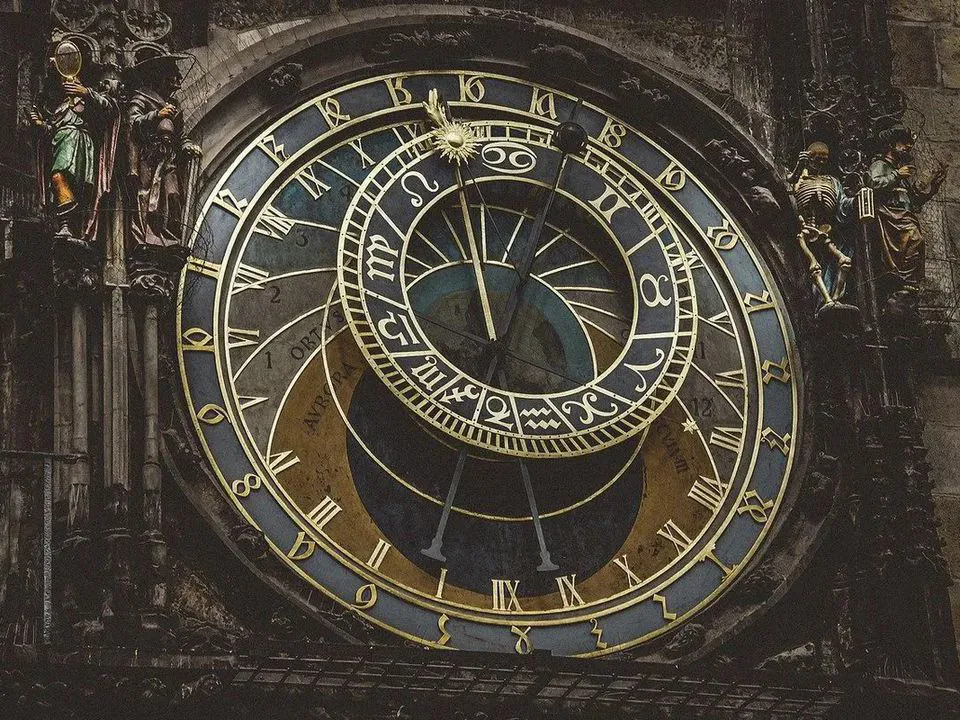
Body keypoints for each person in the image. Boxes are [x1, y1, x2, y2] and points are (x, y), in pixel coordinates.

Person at [29, 75, 116, 242]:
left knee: (77, 184)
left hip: (80, 142)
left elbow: (109, 109)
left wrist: (86, 93)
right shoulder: (61, 106)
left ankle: (74, 226)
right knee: (58, 178)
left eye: (73, 77)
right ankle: (65, 225)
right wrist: (40, 123)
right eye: (64, 79)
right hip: (60, 143)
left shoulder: (87, 99)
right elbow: (52, 130)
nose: (68, 81)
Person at [869, 126, 947, 291]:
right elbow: (872, 184)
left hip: (904, 217)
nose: (909, 146)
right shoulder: (880, 165)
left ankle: (907, 282)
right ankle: (902, 280)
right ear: (891, 144)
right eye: (904, 142)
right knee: (914, 238)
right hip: (890, 218)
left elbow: (913, 204)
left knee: (916, 244)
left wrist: (932, 188)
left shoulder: (901, 174)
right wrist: (896, 175)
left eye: (910, 143)